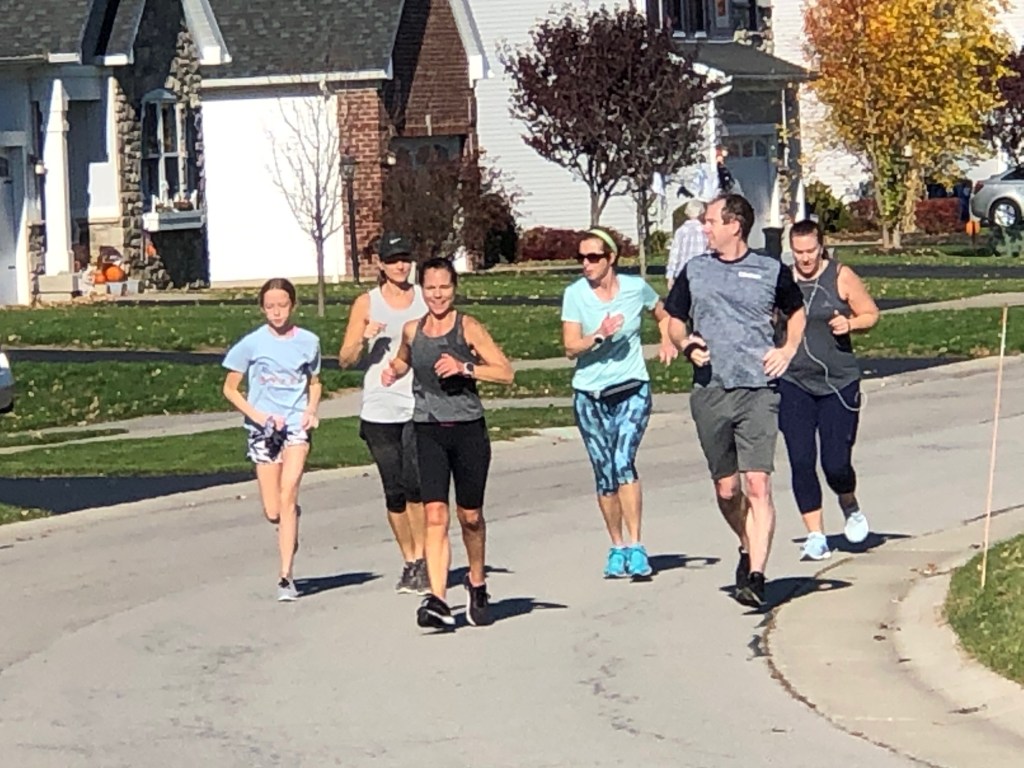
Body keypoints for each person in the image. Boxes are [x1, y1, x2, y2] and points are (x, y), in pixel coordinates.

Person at [664, 194, 806, 609]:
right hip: (711, 389)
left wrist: (787, 349)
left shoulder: (769, 270)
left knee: (758, 483)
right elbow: (674, 320)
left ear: (734, 226)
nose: (704, 228)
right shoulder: (696, 270)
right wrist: (686, 343)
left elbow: (796, 312)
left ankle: (757, 576)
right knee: (727, 490)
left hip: (758, 389)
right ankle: (747, 543)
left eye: (710, 221)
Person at [382, 257, 514, 630]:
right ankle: (438, 599)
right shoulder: (412, 329)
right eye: (430, 288)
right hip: (428, 429)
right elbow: (405, 359)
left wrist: (465, 367)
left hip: (468, 430)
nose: (437, 295)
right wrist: (394, 370)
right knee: (435, 515)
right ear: (421, 290)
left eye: (444, 287)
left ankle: (477, 582)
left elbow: (505, 372)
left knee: (469, 517)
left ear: (454, 288)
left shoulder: (467, 327)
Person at [562, 227, 674, 580]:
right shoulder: (575, 294)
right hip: (590, 394)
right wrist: (598, 335)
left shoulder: (634, 288)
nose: (586, 264)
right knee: (604, 471)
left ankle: (637, 545)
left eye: (593, 257)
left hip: (631, 387)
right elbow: (570, 347)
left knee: (623, 462)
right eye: (581, 258)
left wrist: (667, 340)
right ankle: (617, 546)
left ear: (610, 259)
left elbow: (663, 313)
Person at [779, 220, 880, 561]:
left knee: (835, 463)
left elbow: (871, 314)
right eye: (798, 252)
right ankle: (815, 535)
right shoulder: (783, 279)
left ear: (821, 247)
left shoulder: (840, 275)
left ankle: (849, 503)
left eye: (811, 251)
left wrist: (850, 323)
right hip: (794, 381)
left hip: (838, 382)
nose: (805, 259)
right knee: (801, 459)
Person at [339, 233, 429, 594]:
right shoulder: (367, 303)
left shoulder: (424, 298)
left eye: (405, 258)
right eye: (393, 260)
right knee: (394, 489)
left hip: (418, 404)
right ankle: (409, 560)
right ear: (381, 264)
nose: (401, 266)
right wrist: (364, 336)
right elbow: (345, 359)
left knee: (417, 486)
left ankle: (424, 558)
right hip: (379, 408)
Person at [222, 278, 322, 602]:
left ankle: (285, 576)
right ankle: (288, 521)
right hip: (263, 430)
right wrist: (258, 416)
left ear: (293, 305)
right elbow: (230, 389)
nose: (277, 312)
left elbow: (315, 381)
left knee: (288, 491)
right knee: (273, 510)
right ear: (262, 309)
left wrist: (311, 409)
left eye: (282, 305)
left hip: (295, 426)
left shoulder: (308, 342)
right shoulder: (252, 344)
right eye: (270, 307)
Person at [667, 200, 708, 292]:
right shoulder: (705, 231)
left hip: (683, 272)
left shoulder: (681, 231)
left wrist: (670, 275)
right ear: (702, 213)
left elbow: (675, 254)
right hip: (702, 272)